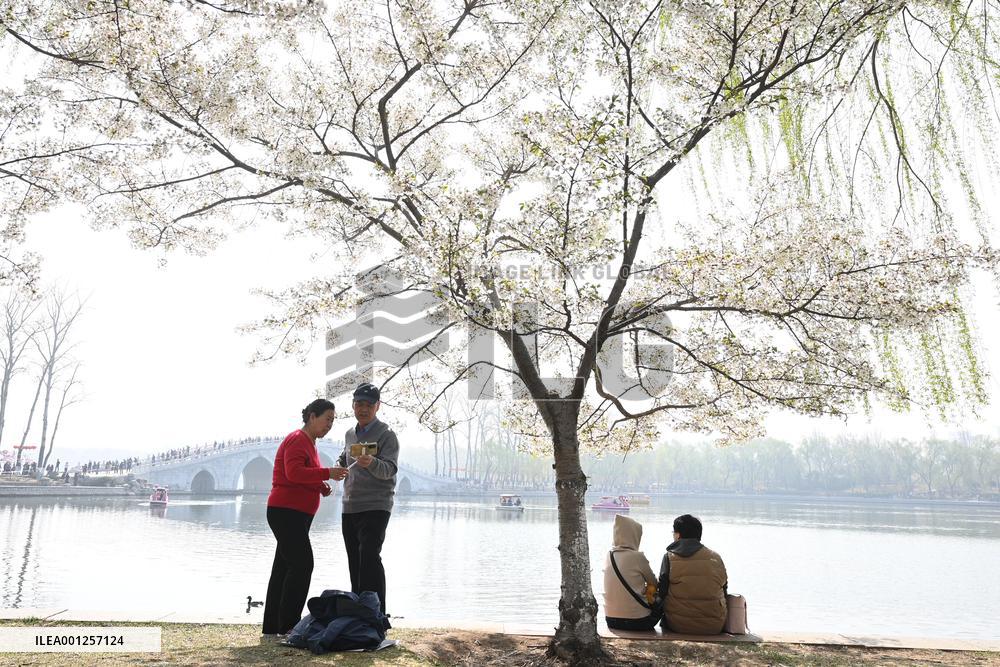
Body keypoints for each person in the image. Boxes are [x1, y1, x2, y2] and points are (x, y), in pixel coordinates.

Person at [262, 398, 339, 638]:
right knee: (303, 564)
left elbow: (302, 474)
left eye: (332, 422)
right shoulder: (297, 439)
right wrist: (327, 472)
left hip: (297, 514)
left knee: (284, 568)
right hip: (286, 513)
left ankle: (273, 628)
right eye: (327, 419)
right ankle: (290, 627)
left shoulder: (310, 443)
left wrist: (320, 485)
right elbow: (292, 473)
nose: (329, 425)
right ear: (312, 416)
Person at [336, 383, 400, 615]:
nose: (363, 409)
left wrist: (371, 462)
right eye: (359, 404)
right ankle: (358, 612)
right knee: (355, 560)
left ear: (377, 406)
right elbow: (343, 459)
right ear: (353, 406)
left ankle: (377, 614)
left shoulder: (387, 434)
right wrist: (336, 469)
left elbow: (390, 470)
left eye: (368, 405)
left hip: (376, 506)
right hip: (349, 505)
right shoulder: (350, 434)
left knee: (370, 558)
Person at [657, 514, 728, 635]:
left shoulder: (669, 557)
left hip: (677, 624)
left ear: (678, 535)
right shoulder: (715, 557)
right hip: (714, 625)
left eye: (673, 532)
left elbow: (662, 592)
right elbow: (724, 590)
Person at [603, 514, 661, 631]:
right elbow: (654, 583)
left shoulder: (609, 555)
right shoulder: (637, 556)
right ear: (634, 536)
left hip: (611, 620)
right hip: (638, 622)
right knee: (661, 598)